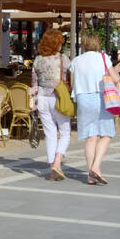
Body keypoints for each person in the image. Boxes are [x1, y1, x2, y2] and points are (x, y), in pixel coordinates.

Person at [70, 34, 120, 186]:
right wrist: (116, 70)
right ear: (97, 44)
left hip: (82, 98)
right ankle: (96, 166)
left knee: (90, 137)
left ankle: (91, 175)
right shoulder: (103, 58)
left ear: (84, 45)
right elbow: (115, 79)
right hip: (100, 97)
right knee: (106, 134)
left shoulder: (76, 61)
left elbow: (72, 84)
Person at [32, 28, 72, 181]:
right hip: (58, 97)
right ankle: (57, 162)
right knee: (65, 130)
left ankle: (52, 167)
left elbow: (34, 83)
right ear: (57, 44)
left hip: (42, 98)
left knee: (50, 133)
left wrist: (33, 103)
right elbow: (70, 76)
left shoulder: (37, 60)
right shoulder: (63, 59)